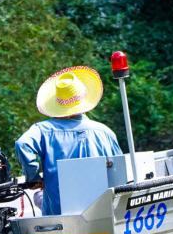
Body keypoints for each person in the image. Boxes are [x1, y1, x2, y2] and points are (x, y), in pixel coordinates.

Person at [15, 65, 122, 215]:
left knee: (38, 196)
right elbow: (118, 174)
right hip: (101, 212)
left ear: (58, 103)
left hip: (58, 213)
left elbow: (22, 144)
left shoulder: (43, 130)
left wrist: (34, 178)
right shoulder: (105, 132)